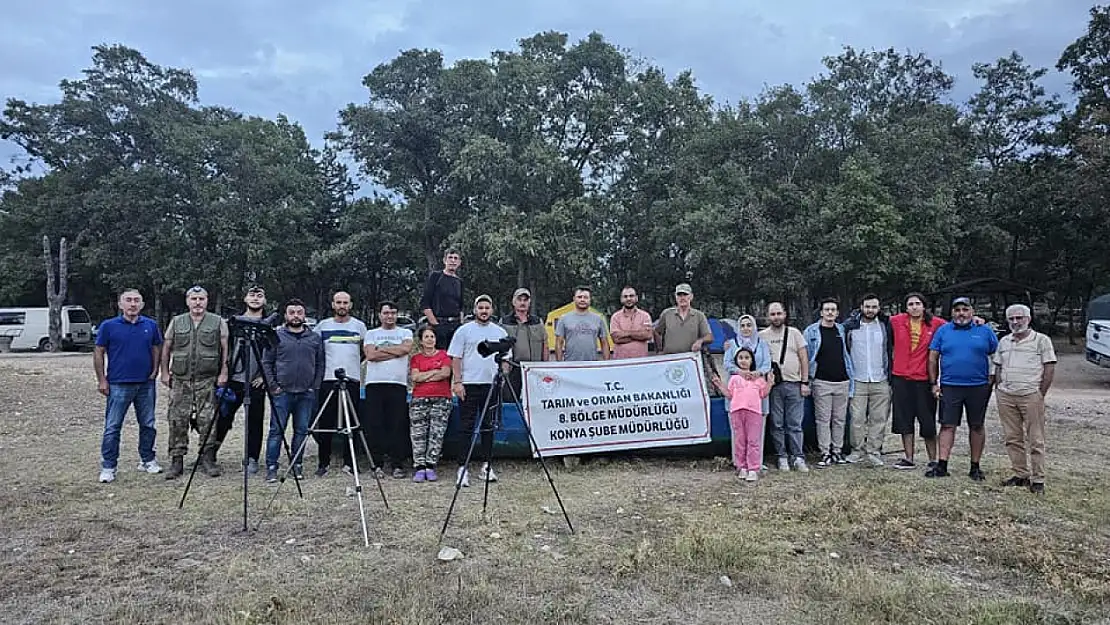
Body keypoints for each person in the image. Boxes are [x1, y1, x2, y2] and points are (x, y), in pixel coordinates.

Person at [93, 289, 164, 483]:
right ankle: (109, 466)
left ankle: (147, 459)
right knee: (113, 427)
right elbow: (99, 352)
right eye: (128, 300)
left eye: (136, 301)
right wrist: (102, 379)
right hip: (118, 384)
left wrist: (155, 369)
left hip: (145, 385)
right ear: (120, 304)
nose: (132, 304)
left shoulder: (150, 325)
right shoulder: (109, 326)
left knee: (148, 424)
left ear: (141, 304)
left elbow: (156, 348)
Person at [160, 286, 229, 480]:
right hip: (181, 380)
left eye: (201, 299)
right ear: (187, 301)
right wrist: (164, 372)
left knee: (208, 420)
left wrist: (224, 372)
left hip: (207, 380)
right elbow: (167, 347)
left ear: (207, 300)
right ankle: (176, 460)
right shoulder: (177, 321)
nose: (197, 303)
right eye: (194, 299)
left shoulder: (218, 322)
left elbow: (225, 348)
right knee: (177, 419)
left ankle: (207, 458)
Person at [927, 297, 999, 480]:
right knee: (947, 425)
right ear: (952, 312)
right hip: (950, 386)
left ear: (972, 311)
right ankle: (942, 465)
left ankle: (975, 466)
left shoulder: (984, 331)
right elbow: (933, 357)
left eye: (965, 309)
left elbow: (997, 356)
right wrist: (934, 383)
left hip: (978, 386)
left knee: (977, 425)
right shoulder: (943, 331)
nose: (961, 313)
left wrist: (992, 379)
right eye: (957, 310)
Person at [447, 294, 512, 487]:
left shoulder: (500, 331)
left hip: (490, 385)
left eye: (487, 308)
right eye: (480, 307)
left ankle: (486, 465)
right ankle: (462, 468)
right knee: (466, 427)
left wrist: (503, 375)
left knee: (488, 427)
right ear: (475, 310)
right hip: (468, 385)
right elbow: (456, 358)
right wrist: (457, 382)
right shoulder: (463, 331)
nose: (484, 311)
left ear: (492, 310)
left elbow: (506, 358)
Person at [992, 304, 1056, 494]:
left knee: (1036, 438)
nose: (1015, 322)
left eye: (1019, 318)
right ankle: (1020, 474)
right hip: (1006, 395)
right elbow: (997, 366)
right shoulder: (1004, 341)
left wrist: (1040, 393)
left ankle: (1038, 479)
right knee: (1012, 437)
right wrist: (999, 386)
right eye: (1011, 319)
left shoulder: (1041, 341)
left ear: (1028, 319)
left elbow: (1049, 368)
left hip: (1030, 395)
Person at [262, 298, 325, 482]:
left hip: (306, 393)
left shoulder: (314, 338)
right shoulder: (276, 336)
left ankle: (296, 465)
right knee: (276, 431)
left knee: (302, 431)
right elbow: (267, 363)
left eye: (299, 312)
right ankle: (272, 467)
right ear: (286, 315)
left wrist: (315, 386)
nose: (296, 316)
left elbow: (320, 363)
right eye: (292, 312)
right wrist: (273, 386)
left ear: (304, 315)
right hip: (282, 393)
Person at [215, 285, 270, 475]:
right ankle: (209, 454)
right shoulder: (231, 323)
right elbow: (222, 350)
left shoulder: (269, 326)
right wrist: (222, 373)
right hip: (234, 379)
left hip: (256, 381)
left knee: (255, 421)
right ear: (245, 299)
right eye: (252, 295)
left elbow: (275, 354)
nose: (255, 298)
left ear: (264, 301)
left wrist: (264, 376)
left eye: (260, 295)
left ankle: (252, 458)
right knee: (222, 418)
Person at [312, 291, 367, 477]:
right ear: (333, 305)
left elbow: (364, 351)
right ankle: (323, 463)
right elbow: (316, 351)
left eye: (345, 302)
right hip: (328, 380)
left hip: (351, 380)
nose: (342, 305)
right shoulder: (322, 326)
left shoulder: (359, 326)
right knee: (326, 422)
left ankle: (350, 463)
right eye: (338, 302)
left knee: (352, 422)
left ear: (350, 305)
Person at [889, 293, 946, 470]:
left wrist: (976, 320)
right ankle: (909, 458)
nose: (914, 307)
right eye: (910, 304)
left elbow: (957, 326)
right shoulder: (896, 321)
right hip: (901, 378)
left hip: (923, 379)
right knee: (904, 420)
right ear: (906, 307)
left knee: (927, 420)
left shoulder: (936, 324)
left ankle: (933, 460)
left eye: (917, 303)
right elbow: (873, 318)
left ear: (924, 306)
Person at [362, 301, 414, 479]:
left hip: (397, 385)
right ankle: (376, 464)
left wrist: (381, 350)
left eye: (393, 313)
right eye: (386, 313)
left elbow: (406, 349)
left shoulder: (405, 332)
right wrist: (395, 351)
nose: (389, 316)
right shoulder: (371, 333)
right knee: (375, 424)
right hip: (374, 384)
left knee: (397, 425)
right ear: (379, 315)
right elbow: (370, 355)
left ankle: (397, 464)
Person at [843, 293, 892, 468]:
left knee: (879, 418)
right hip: (858, 379)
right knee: (856, 418)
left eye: (874, 307)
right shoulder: (850, 326)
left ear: (879, 309)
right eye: (867, 307)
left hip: (881, 378)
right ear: (861, 307)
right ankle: (857, 451)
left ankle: (874, 451)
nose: (870, 310)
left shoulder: (886, 325)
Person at [804, 297, 855, 467]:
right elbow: (807, 356)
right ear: (821, 313)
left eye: (833, 310)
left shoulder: (841, 330)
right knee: (823, 420)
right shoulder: (811, 331)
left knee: (840, 419)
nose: (830, 313)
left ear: (837, 313)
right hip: (821, 382)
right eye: (827, 310)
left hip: (842, 380)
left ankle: (837, 451)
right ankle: (825, 452)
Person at [760, 302, 810, 472]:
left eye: (779, 313)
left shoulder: (795, 333)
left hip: (794, 384)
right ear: (768, 316)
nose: (776, 317)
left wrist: (805, 382)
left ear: (785, 314)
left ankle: (798, 456)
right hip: (773, 386)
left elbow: (804, 358)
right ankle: (781, 456)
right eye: (772, 314)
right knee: (777, 423)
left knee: (795, 423)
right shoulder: (762, 336)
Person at [712, 347, 771, 482]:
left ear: (752, 360)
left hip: (754, 412)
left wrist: (770, 384)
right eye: (740, 358)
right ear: (736, 361)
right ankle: (742, 466)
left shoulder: (758, 379)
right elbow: (729, 394)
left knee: (753, 440)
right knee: (740, 440)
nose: (743, 361)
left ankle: (753, 468)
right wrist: (720, 385)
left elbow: (763, 394)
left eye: (746, 358)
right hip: (737, 412)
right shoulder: (734, 379)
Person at [409, 326, 453, 483]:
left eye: (432, 336)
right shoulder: (416, 358)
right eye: (426, 337)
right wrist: (435, 371)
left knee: (436, 433)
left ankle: (430, 465)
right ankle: (419, 466)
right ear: (421, 340)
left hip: (441, 399)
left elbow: (445, 373)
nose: (429, 339)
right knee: (418, 434)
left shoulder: (445, 355)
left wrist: (425, 375)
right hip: (419, 399)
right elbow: (415, 377)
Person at [499, 287, 547, 399]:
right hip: (512, 368)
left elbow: (545, 345)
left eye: (525, 300)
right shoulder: (504, 322)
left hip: (533, 369)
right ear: (513, 302)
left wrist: (544, 367)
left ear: (529, 302)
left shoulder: (538, 322)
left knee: (535, 400)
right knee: (509, 399)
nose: (522, 303)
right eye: (519, 299)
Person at [420, 249, 464, 349]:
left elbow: (461, 306)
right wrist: (435, 325)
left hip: (455, 326)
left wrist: (460, 325)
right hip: (439, 324)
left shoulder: (459, 282)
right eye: (450, 258)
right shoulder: (436, 277)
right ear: (444, 260)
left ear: (459, 262)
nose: (453, 261)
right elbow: (425, 303)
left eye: (456, 258)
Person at [654, 283, 713, 354]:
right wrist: (659, 349)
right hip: (670, 358)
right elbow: (657, 332)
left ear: (691, 296)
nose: (682, 298)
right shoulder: (666, 314)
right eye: (679, 295)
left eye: (685, 295)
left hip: (691, 358)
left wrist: (700, 341)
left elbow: (709, 337)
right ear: (675, 297)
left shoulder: (699, 315)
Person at [555, 286, 610, 361]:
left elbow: (604, 343)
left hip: (592, 364)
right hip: (570, 364)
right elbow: (559, 343)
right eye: (579, 297)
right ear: (574, 299)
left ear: (590, 299)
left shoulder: (598, 319)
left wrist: (606, 363)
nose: (582, 300)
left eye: (586, 297)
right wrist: (559, 363)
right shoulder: (564, 318)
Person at [609, 286, 653, 359]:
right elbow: (616, 339)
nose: (628, 299)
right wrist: (639, 335)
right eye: (625, 296)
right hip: (621, 361)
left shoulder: (645, 316)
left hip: (641, 361)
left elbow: (647, 335)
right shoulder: (615, 317)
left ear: (636, 298)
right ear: (621, 299)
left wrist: (625, 333)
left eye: (631, 296)